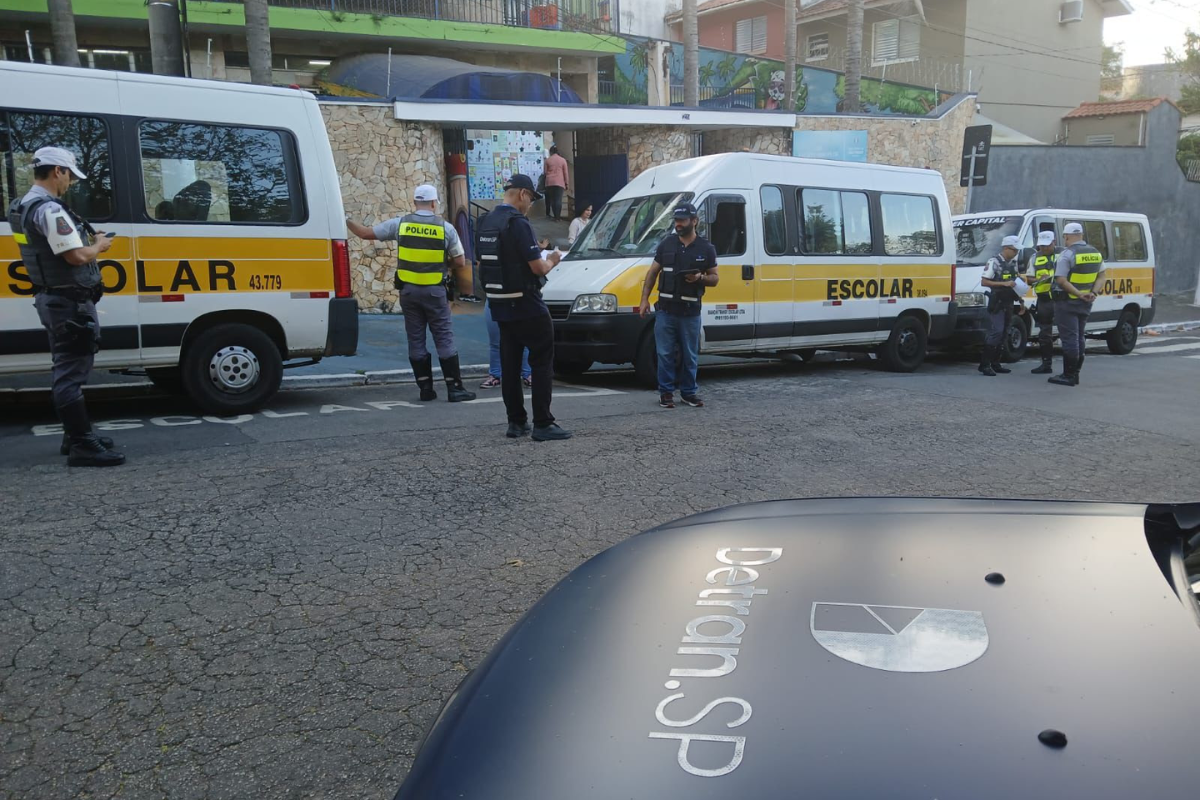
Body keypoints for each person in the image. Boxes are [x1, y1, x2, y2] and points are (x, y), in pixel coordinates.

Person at [8, 147, 124, 466]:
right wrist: (98, 245)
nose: (70, 182)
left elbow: (45, 250)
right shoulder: (49, 210)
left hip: (52, 298)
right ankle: (83, 446)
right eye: (69, 175)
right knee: (71, 371)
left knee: (65, 366)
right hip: (68, 302)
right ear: (57, 171)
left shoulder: (21, 206)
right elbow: (75, 256)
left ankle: (74, 435)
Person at [347, 184, 475, 403]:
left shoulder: (400, 224)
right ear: (434, 203)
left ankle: (425, 389)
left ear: (415, 202)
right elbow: (461, 261)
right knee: (443, 337)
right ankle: (455, 389)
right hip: (435, 292)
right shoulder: (445, 228)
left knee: (416, 339)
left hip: (408, 292)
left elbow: (365, 233)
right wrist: (443, 264)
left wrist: (346, 219)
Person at [476, 174, 572, 441]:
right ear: (522, 194)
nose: (530, 205)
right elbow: (537, 267)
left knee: (509, 364)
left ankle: (516, 422)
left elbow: (481, 264)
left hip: (499, 302)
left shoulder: (485, 221)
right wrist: (553, 260)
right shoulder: (518, 223)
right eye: (531, 199)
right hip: (527, 303)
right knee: (541, 361)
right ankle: (543, 423)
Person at [637, 202, 719, 408]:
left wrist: (700, 278)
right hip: (666, 310)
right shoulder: (667, 244)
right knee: (664, 354)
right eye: (676, 220)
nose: (678, 224)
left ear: (694, 221)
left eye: (682, 220)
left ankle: (688, 393)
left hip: (690, 312)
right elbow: (652, 273)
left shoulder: (706, 248)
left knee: (690, 355)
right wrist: (644, 299)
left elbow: (715, 278)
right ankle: (666, 393)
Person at [1049, 222, 1106, 387]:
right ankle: (1076, 374)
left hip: (1068, 302)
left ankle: (1068, 375)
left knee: (1069, 339)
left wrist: (1078, 294)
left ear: (1066, 236)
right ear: (1081, 235)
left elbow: (1061, 280)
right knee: (1080, 336)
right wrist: (1093, 293)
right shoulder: (1095, 253)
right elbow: (1102, 276)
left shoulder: (1067, 254)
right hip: (1086, 302)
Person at [977, 234, 1025, 377]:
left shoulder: (1013, 263)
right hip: (997, 303)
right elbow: (984, 281)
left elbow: (1016, 283)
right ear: (1006, 248)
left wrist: (1021, 301)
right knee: (996, 332)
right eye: (1014, 250)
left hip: (1009, 302)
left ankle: (996, 363)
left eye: (1017, 250)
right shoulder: (994, 262)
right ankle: (985, 364)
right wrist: (1004, 284)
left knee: (1004, 332)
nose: (1016, 253)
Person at [1026, 230, 1063, 375]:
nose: (1044, 248)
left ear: (1054, 242)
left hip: (1062, 299)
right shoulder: (1034, 258)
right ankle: (1046, 364)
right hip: (1044, 300)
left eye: (1047, 245)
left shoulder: (1064, 254)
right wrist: (1039, 279)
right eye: (1042, 246)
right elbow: (1029, 279)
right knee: (1044, 334)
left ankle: (1070, 368)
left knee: (1067, 331)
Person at [480, 301, 531, 389]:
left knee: (524, 340)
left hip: (519, 299)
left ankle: (528, 374)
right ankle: (495, 375)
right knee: (495, 342)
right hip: (495, 300)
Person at [543, 145, 568, 221]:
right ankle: (558, 217)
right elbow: (565, 173)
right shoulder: (563, 160)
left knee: (553, 200)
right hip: (559, 182)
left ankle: (554, 216)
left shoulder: (547, 160)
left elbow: (545, 173)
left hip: (549, 182)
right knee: (558, 200)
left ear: (550, 152)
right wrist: (566, 183)